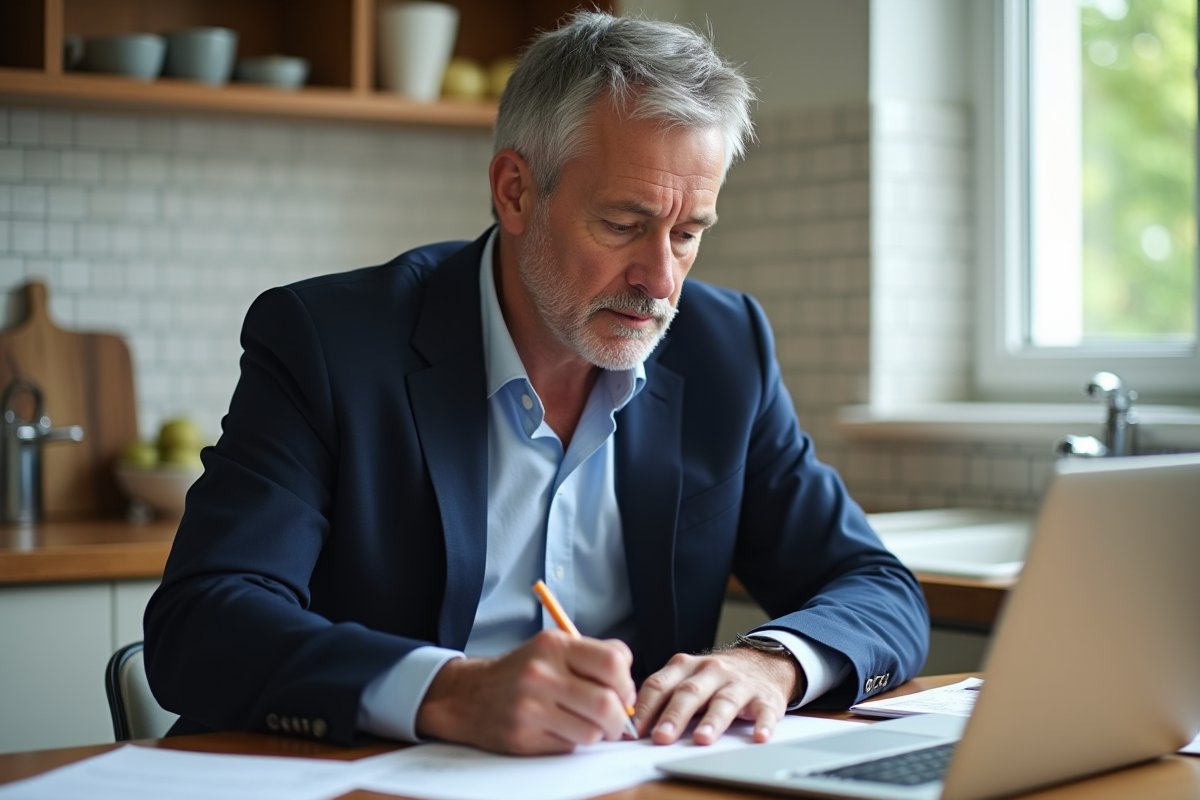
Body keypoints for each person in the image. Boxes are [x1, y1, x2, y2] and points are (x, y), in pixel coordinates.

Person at [144, 11, 929, 757]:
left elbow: (875, 587)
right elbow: (202, 624)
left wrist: (771, 662)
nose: (661, 280)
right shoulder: (328, 342)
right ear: (515, 191)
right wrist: (448, 693)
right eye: (623, 224)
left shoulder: (725, 349)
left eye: (688, 234)